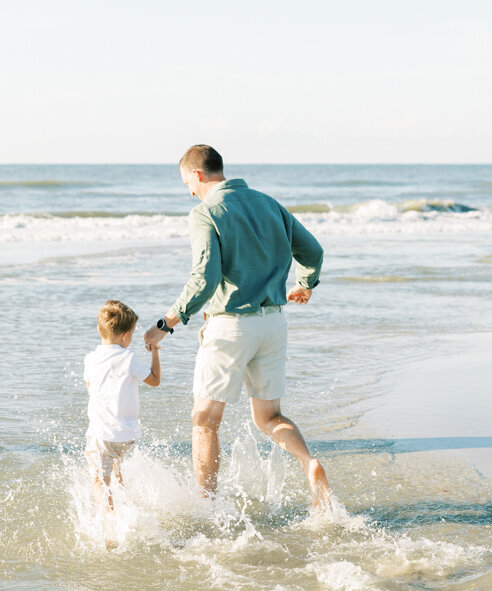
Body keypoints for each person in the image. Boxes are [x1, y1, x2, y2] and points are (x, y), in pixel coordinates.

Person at [143, 145, 331, 508]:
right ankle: (309, 462)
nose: (189, 191)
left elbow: (206, 277)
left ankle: (207, 506)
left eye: (187, 183)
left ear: (197, 175)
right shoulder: (268, 203)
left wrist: (166, 323)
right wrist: (306, 284)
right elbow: (313, 252)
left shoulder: (205, 212)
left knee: (205, 420)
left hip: (230, 327)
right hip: (273, 324)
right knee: (270, 416)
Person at [84, 300, 162, 510]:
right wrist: (155, 350)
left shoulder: (90, 359)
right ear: (126, 336)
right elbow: (155, 380)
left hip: (102, 434)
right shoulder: (129, 358)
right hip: (127, 435)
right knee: (116, 471)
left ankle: (111, 522)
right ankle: (125, 508)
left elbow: (91, 389)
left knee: (99, 481)